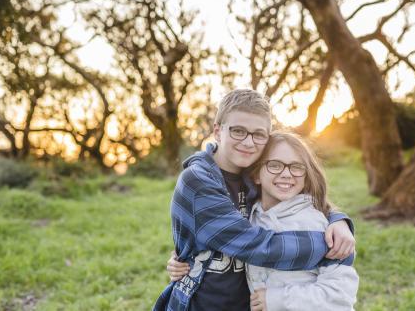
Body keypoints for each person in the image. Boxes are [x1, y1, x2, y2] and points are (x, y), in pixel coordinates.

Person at [153, 89, 355, 311]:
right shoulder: (198, 180)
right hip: (206, 303)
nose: (248, 142)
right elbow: (256, 246)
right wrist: (331, 249)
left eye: (258, 134)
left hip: (247, 302)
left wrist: (338, 220)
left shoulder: (255, 172)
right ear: (218, 131)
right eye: (238, 131)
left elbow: (301, 197)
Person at [247, 131, 359, 311]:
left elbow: (341, 294)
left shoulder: (319, 225)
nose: (286, 174)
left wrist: (277, 300)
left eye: (296, 167)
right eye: (274, 165)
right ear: (256, 175)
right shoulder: (248, 216)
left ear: (306, 175)